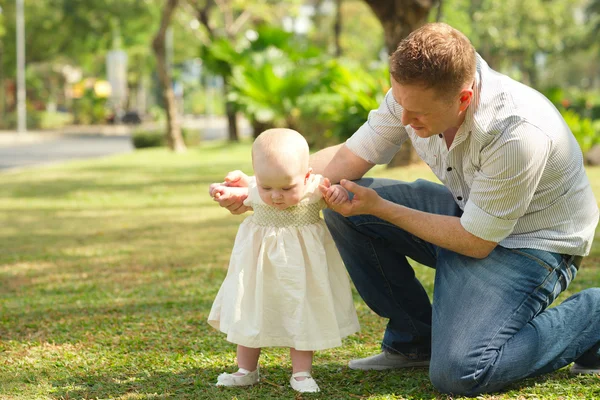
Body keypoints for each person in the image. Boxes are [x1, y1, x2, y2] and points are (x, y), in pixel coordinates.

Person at [210, 23, 600, 396]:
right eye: (400, 105)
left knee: (461, 372)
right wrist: (263, 187)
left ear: (463, 98)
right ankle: (413, 341)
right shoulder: (414, 95)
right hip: (470, 211)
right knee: (343, 200)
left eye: (417, 115)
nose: (405, 121)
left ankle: (593, 313)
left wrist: (383, 209)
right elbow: (348, 159)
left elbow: (477, 242)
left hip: (530, 244)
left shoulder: (517, 134)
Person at [207, 128, 360, 393]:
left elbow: (336, 196)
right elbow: (242, 199)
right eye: (267, 187)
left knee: (301, 311)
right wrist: (223, 191)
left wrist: (338, 194)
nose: (276, 196)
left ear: (307, 176)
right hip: (259, 267)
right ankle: (246, 369)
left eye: (287, 188)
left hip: (302, 269)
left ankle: (301, 373)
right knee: (251, 309)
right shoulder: (257, 188)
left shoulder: (315, 188)